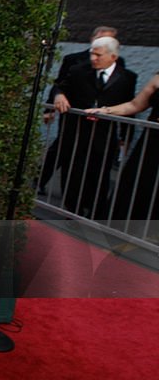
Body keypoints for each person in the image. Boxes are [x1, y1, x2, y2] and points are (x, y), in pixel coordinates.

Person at [53, 36, 136, 218]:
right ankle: (72, 209)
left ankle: (95, 210)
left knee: (100, 173)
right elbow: (60, 86)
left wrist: (125, 137)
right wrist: (59, 96)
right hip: (77, 132)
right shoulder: (78, 71)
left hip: (104, 135)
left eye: (98, 55)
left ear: (113, 57)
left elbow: (131, 107)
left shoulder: (127, 78)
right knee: (74, 171)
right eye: (92, 54)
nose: (93, 59)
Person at [40, 26, 122, 191]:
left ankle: (87, 201)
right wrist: (51, 107)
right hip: (74, 117)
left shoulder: (119, 64)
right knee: (62, 150)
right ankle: (42, 180)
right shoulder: (74, 60)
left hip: (99, 124)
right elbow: (60, 85)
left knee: (92, 163)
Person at [87, 73, 159, 230]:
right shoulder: (157, 78)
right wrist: (106, 111)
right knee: (140, 182)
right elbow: (134, 105)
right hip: (152, 142)